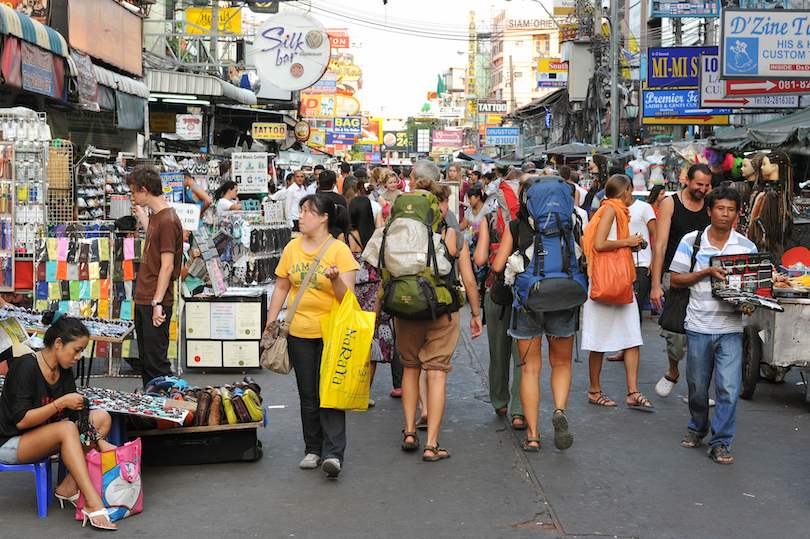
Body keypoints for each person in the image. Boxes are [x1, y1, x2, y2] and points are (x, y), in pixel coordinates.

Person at [263, 195, 359, 478]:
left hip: (333, 333)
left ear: (324, 218)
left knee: (329, 393)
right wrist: (271, 322)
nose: (301, 216)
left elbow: (348, 299)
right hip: (299, 331)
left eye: (308, 212)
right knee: (308, 395)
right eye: (302, 211)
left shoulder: (340, 251)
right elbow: (281, 287)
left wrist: (334, 280)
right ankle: (313, 449)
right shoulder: (292, 248)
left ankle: (333, 454)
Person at [0, 312, 118, 530]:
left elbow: (77, 416)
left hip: (42, 436)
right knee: (65, 429)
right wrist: (60, 403)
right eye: (76, 350)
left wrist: (100, 442)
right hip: (10, 443)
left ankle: (68, 487)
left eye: (81, 351)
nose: (79, 356)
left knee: (101, 417)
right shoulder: (25, 367)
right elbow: (21, 421)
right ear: (58, 343)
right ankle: (92, 503)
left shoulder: (64, 371)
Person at [398, 165, 482, 463]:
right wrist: (475, 313)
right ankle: (431, 444)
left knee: (410, 367)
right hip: (443, 313)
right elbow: (469, 280)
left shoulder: (401, 232)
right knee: (436, 373)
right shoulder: (454, 237)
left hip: (405, 308)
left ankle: (409, 431)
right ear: (439, 204)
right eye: (446, 202)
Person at [669, 186, 756, 464]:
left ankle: (720, 442)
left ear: (737, 213)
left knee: (728, 389)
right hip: (698, 325)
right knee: (697, 387)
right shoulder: (691, 241)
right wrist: (706, 271)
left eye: (730, 209)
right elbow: (675, 280)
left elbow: (752, 290)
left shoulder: (746, 247)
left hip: (730, 328)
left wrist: (749, 303)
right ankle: (697, 426)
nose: (725, 214)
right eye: (720, 208)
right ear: (709, 211)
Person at [581, 174, 651, 409]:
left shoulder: (615, 210)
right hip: (608, 280)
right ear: (626, 192)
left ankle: (632, 391)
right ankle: (594, 390)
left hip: (619, 280)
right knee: (598, 340)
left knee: (632, 336)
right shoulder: (611, 209)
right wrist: (627, 242)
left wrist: (631, 243)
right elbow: (599, 244)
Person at [650, 164, 712, 400]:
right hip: (675, 276)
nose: (703, 189)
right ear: (688, 181)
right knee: (676, 334)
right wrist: (656, 285)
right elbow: (660, 246)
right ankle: (673, 371)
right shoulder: (670, 203)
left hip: (706, 276)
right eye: (699, 184)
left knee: (705, 334)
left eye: (707, 185)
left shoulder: (711, 203)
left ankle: (696, 389)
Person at [126, 165, 183, 386]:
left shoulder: (168, 220)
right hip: (146, 297)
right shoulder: (159, 217)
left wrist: (157, 302)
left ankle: (168, 408)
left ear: (144, 190)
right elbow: (155, 239)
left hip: (154, 299)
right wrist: (141, 216)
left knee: (156, 363)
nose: (132, 196)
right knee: (148, 361)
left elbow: (167, 267)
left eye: (133, 192)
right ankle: (153, 408)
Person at [606, 188, 657, 362]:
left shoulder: (644, 208)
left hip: (641, 264)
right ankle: (625, 349)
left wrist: (654, 261)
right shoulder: (613, 209)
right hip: (619, 264)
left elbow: (656, 235)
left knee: (635, 309)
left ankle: (630, 350)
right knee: (622, 308)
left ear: (628, 191)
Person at [345, 196, 386, 403]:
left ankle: (350, 389)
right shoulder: (377, 237)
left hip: (351, 291)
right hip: (375, 292)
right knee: (371, 342)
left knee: (350, 341)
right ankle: (364, 392)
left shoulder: (346, 237)